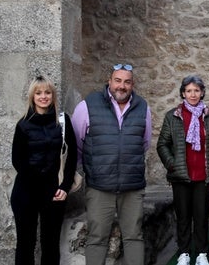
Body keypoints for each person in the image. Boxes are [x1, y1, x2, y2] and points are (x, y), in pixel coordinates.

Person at [72, 63, 152, 265]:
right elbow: (77, 144)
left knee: (134, 236)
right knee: (97, 238)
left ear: (132, 84)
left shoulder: (143, 107)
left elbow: (144, 143)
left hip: (132, 186)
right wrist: (92, 170)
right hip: (99, 185)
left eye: (127, 82)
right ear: (109, 81)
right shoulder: (87, 105)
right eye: (118, 80)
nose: (122, 86)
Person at [11, 75, 78, 265]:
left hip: (54, 192)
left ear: (52, 95)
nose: (43, 97)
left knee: (50, 244)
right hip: (26, 192)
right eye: (38, 93)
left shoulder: (63, 121)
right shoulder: (23, 124)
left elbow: (72, 157)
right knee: (26, 243)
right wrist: (35, 184)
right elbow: (18, 160)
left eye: (47, 92)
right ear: (32, 96)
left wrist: (64, 187)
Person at [157, 75, 209, 265]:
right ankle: (184, 252)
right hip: (181, 176)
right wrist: (172, 164)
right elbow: (162, 145)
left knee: (201, 216)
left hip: (203, 176)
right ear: (183, 93)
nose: (193, 94)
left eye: (196, 90)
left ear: (202, 92)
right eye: (189, 91)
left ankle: (201, 253)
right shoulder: (173, 116)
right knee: (183, 216)